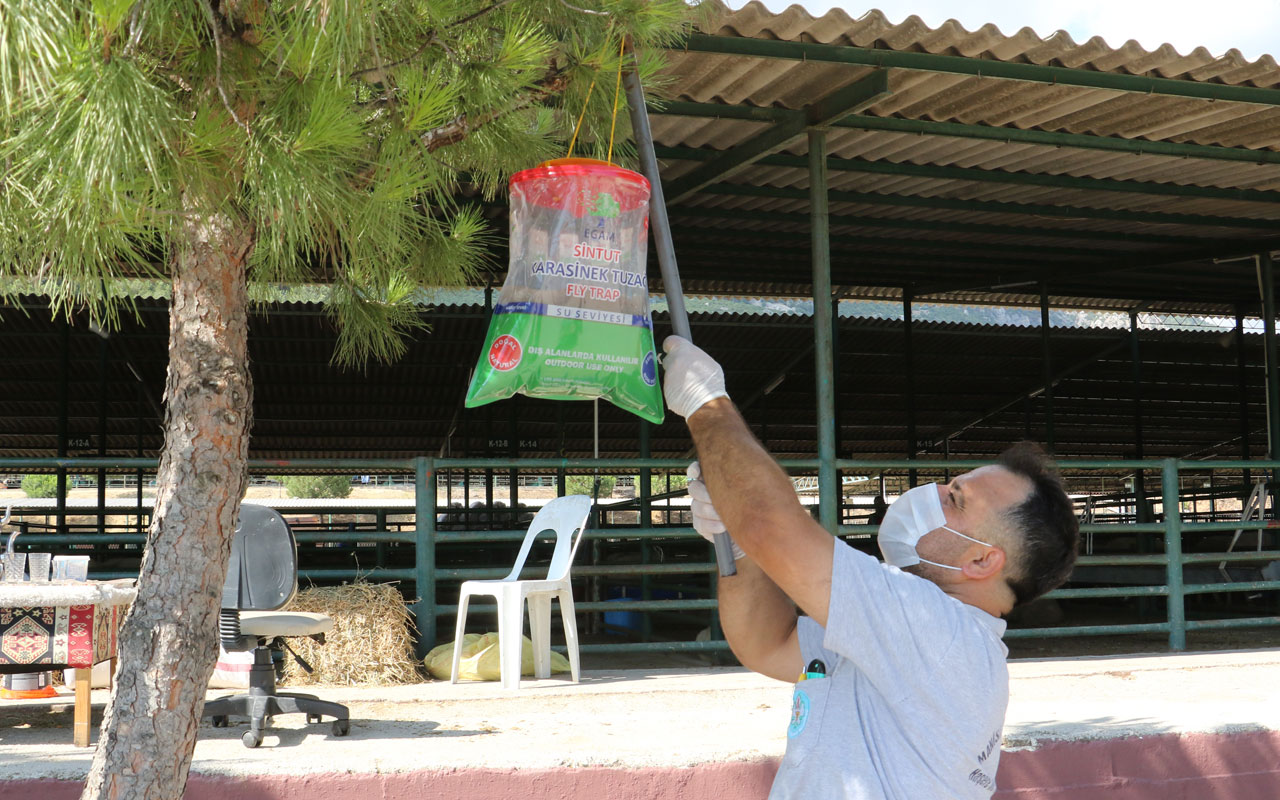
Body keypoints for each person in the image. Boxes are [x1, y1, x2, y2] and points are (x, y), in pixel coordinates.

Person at [661, 336, 1079, 799]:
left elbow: (770, 526)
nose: (934, 493)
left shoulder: (939, 631)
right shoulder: (908, 636)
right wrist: (740, 550)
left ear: (981, 560)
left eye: (954, 500)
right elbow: (767, 643)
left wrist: (706, 404)